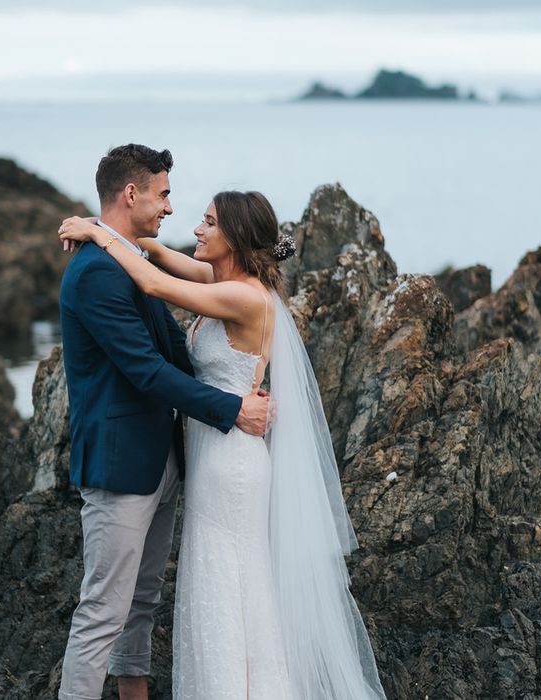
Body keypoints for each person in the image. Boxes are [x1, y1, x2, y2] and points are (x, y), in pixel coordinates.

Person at [58, 190, 388, 698]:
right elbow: (156, 255)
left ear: (233, 237)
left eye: (208, 223)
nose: (196, 229)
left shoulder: (243, 296)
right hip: (215, 451)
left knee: (225, 581)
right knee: (231, 582)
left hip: (230, 461)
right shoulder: (222, 280)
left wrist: (97, 233)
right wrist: (109, 226)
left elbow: (150, 281)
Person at [57, 144, 271, 700]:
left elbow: (173, 340)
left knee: (144, 600)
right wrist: (230, 406)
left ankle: (133, 692)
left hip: (166, 460)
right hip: (121, 463)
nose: (173, 210)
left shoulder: (128, 257)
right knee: (103, 609)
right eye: (166, 194)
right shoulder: (97, 273)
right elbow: (148, 371)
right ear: (133, 194)